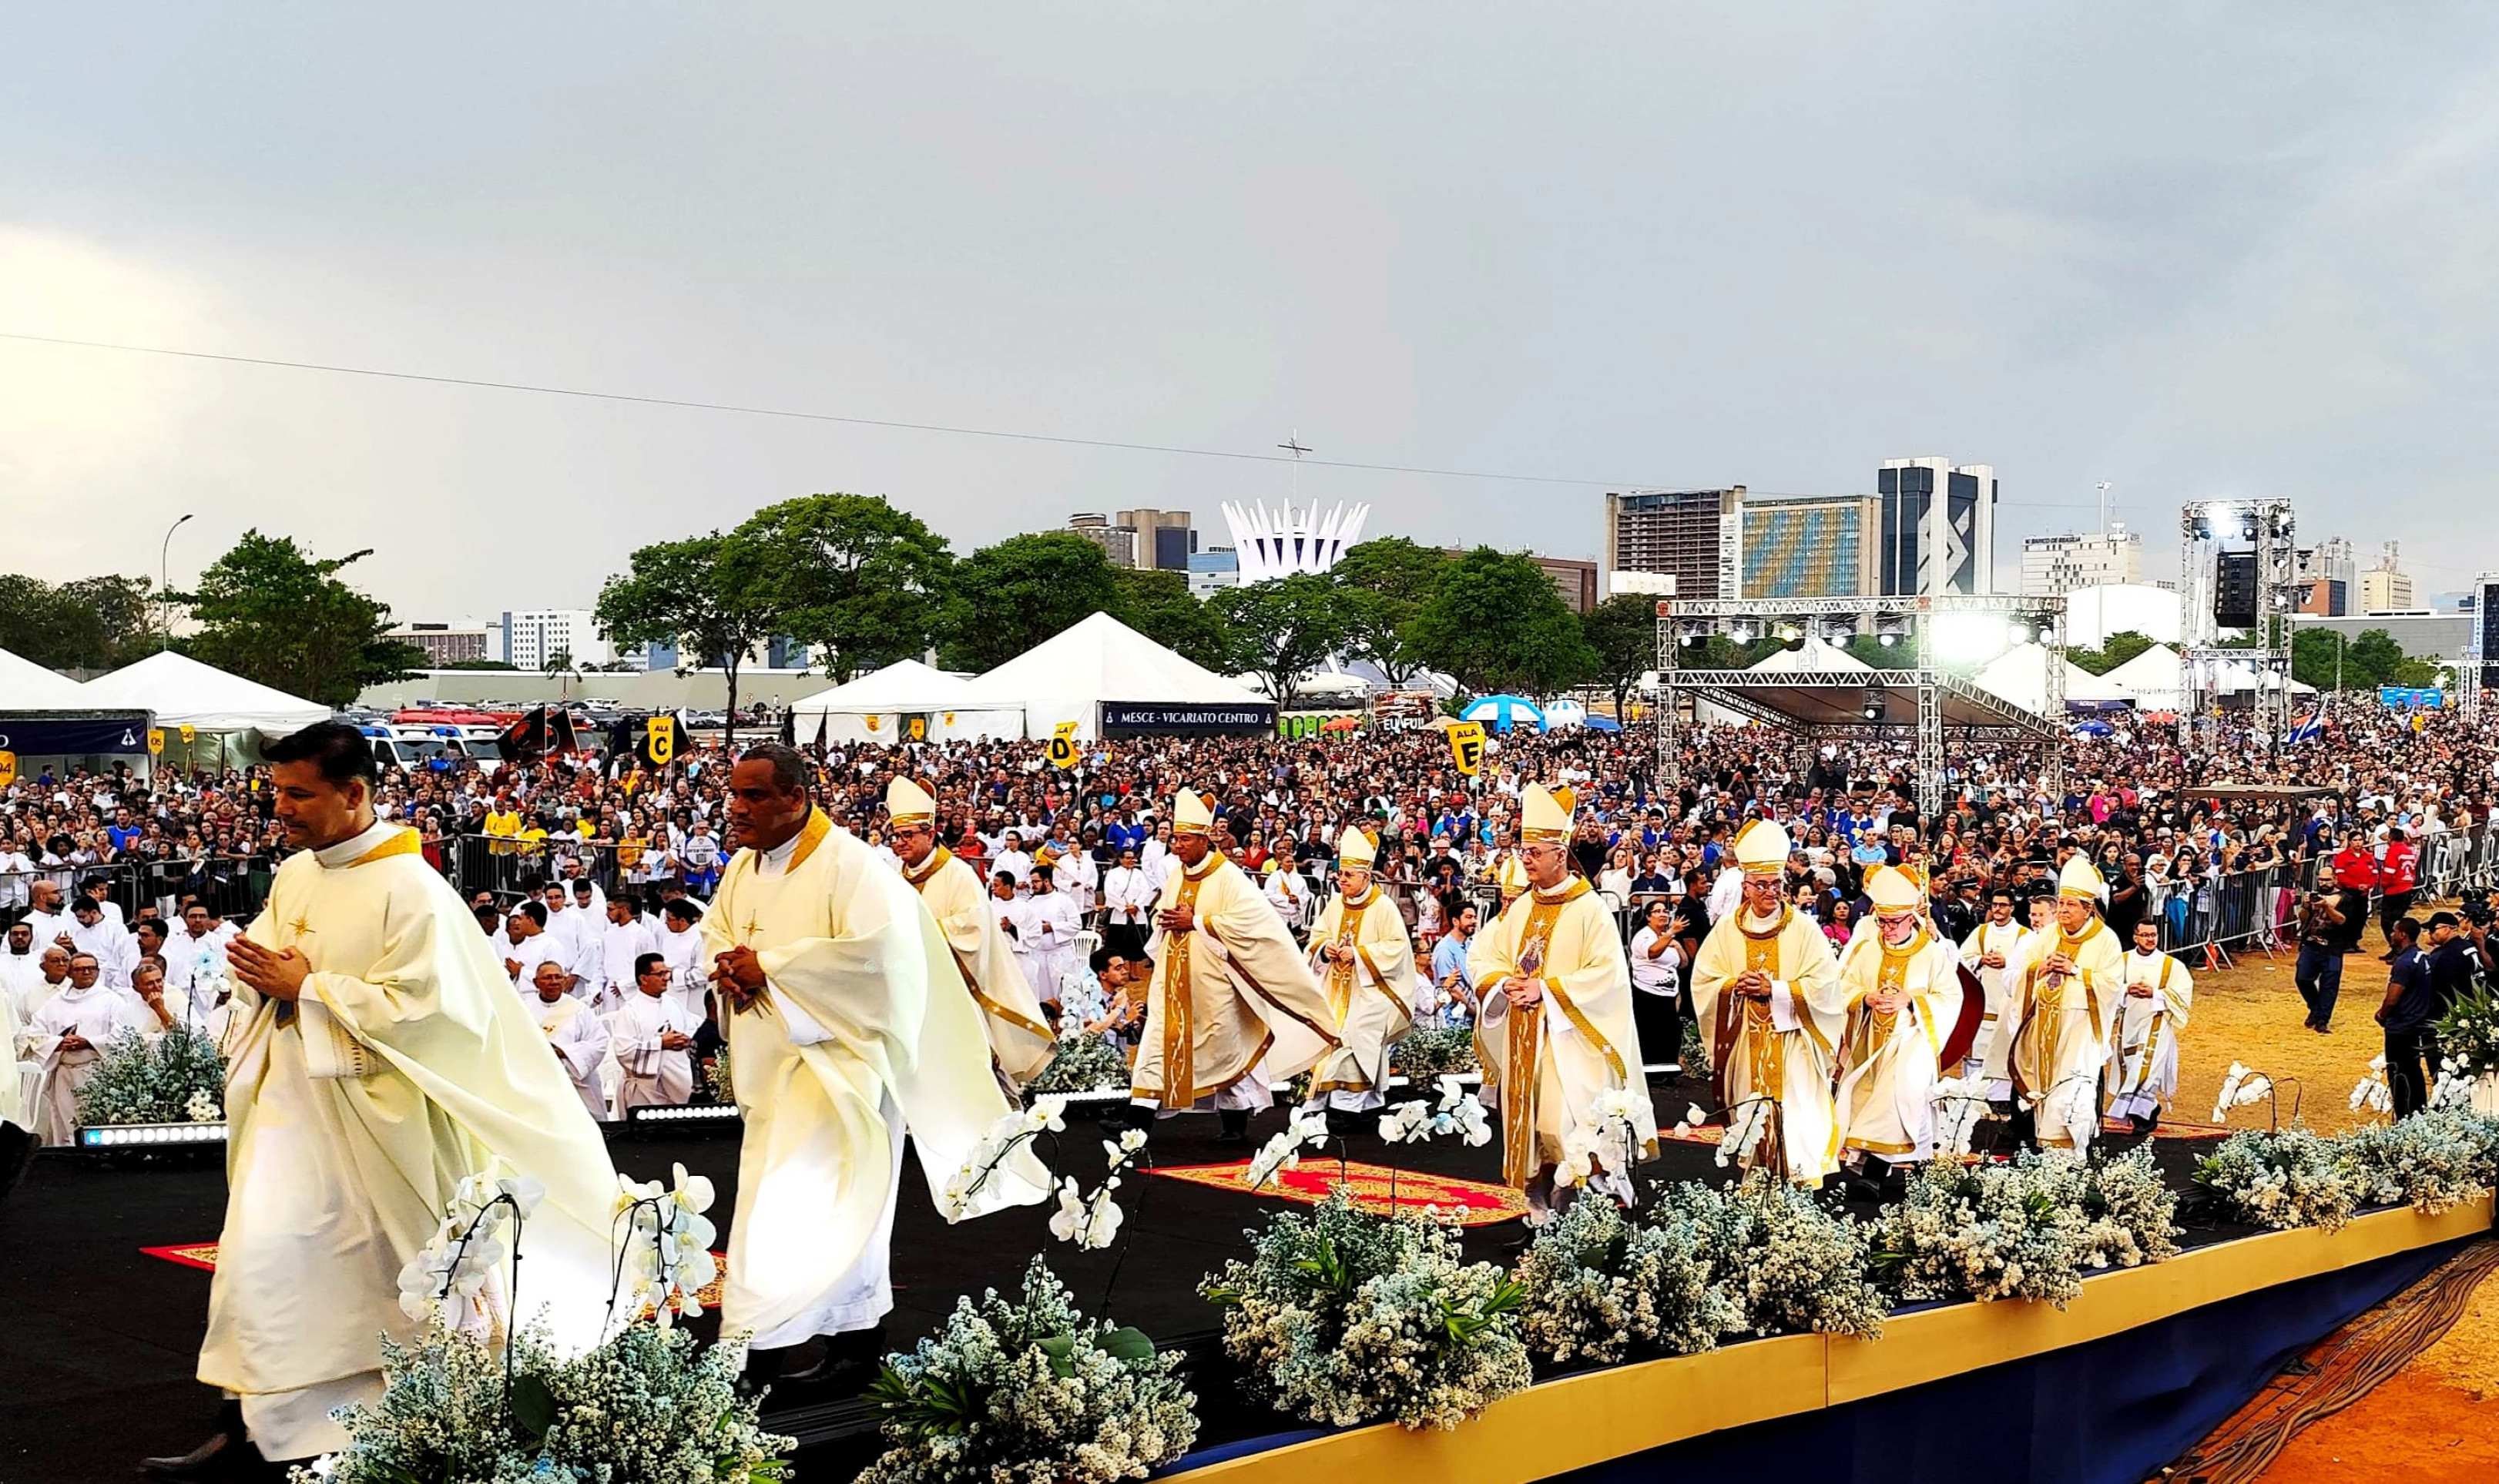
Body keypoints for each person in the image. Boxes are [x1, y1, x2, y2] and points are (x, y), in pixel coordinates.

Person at [155, 722, 620, 1479]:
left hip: (376, 1124)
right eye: (277, 791)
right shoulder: (299, 874)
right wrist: (263, 977)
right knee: (261, 1258)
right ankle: (250, 1426)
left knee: (359, 1281)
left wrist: (307, 987)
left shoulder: (413, 891)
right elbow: (270, 966)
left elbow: (435, 1016)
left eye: (298, 793)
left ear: (355, 792)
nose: (282, 808)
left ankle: (390, 1428)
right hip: (294, 1106)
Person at [699, 743, 1044, 1390]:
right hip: (774, 1070)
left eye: (753, 796)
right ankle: (859, 1344)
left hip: (839, 1072)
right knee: (840, 1213)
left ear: (795, 798)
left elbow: (886, 962)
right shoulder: (743, 868)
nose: (736, 809)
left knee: (776, 1213)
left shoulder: (852, 867)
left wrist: (770, 968)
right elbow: (716, 932)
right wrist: (729, 966)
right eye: (734, 795)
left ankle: (755, 1359)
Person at [1468, 783, 1655, 1214]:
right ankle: (1540, 1220)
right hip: (1525, 1038)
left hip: (1573, 1044)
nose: (1526, 860)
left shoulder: (1589, 909)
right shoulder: (1521, 907)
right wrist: (1503, 984)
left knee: (1562, 1128)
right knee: (1530, 1133)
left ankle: (1594, 1218)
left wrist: (1546, 989)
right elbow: (1490, 956)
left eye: (1535, 851)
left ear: (1560, 853)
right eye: (1523, 852)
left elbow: (1608, 975)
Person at [1127, 788, 1339, 1144]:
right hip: (1176, 980)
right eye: (1175, 839)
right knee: (1157, 1045)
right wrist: (1162, 920)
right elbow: (1166, 910)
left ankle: (1235, 1123)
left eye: (1183, 840)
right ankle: (1135, 1122)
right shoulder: (1179, 874)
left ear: (1203, 839)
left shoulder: (1229, 877)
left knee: (1228, 1051)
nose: (1176, 847)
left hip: (1218, 985)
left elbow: (1254, 923)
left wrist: (1197, 921)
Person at [1690, 818, 1846, 1184]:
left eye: (1776, 884)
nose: (1770, 892)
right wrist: (1733, 985)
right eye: (1761, 885)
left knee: (1794, 1113)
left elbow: (1825, 985)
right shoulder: (1727, 929)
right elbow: (1705, 981)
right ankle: (1757, 1178)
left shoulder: (1804, 929)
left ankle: (1796, 1181)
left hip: (1792, 1039)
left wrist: (1775, 990)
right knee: (1751, 1108)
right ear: (1746, 887)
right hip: (1746, 1038)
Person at [887, 777, 1055, 1093]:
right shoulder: (898, 877)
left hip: (959, 989)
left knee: (974, 1069)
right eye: (896, 837)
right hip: (913, 989)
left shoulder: (958, 874)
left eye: (907, 835)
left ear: (930, 833)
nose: (900, 843)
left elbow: (973, 929)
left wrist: (920, 932)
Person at [1830, 865, 1962, 1182]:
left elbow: (1949, 997)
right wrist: (1865, 998)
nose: (1886, 929)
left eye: (1893, 923)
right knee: (1865, 1096)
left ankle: (1875, 1172)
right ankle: (1872, 1165)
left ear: (1910, 918)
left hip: (1911, 1042)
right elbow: (1842, 987)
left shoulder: (1931, 954)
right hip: (1869, 1041)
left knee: (1898, 1095)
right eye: (1882, 921)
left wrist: (1912, 1001)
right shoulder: (1867, 949)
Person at [2005, 855, 2126, 1153]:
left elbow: (2112, 986)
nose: (2063, 910)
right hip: (2045, 1025)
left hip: (2081, 1028)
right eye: (2061, 903)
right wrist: (2041, 968)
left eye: (2071, 905)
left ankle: (2074, 1153)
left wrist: (2075, 971)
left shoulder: (2106, 940)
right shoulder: (2048, 935)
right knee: (2043, 1088)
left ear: (2088, 908)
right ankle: (2044, 1148)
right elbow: (2024, 972)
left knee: (2072, 1089)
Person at [1300, 826, 1417, 1128]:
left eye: (1348, 875)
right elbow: (1318, 935)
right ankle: (1321, 1102)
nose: (1341, 880)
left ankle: (1347, 1105)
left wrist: (1361, 955)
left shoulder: (1384, 907)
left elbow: (1397, 949)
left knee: (1356, 1032)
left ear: (1366, 876)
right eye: (1340, 875)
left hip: (1370, 990)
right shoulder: (1336, 904)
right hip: (1336, 987)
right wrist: (1325, 949)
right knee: (1329, 1033)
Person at [24, 951, 153, 1144]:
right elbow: (34, 1035)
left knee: (97, 1122)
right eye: (80, 969)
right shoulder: (54, 1003)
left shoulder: (111, 1000)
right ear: (69, 973)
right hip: (65, 1073)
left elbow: (124, 1035)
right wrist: (58, 1042)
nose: (86, 972)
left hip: (98, 1070)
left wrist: (89, 1042)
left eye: (91, 968)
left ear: (98, 972)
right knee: (66, 1124)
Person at [2105, 920, 2193, 1133]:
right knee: (2131, 1067)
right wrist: (2126, 989)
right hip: (2129, 1023)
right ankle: (2150, 1108)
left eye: (2153, 935)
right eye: (2145, 935)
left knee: (2147, 1070)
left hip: (2157, 1023)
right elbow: (2107, 986)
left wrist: (2155, 993)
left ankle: (2143, 1118)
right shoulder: (2122, 961)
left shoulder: (2171, 965)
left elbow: (2183, 995)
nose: (2150, 939)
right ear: (2135, 937)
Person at [613, 951, 703, 1110]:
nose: (667, 977)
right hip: (645, 1091)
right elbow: (623, 1051)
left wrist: (685, 1039)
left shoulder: (674, 1003)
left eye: (667, 972)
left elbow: (693, 1027)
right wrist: (661, 1043)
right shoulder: (630, 1010)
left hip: (678, 1084)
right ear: (643, 979)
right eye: (660, 974)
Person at [1958, 889, 2028, 1087]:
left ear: (2012, 908)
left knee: (2005, 1057)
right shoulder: (1981, 932)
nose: (1998, 909)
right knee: (1976, 1057)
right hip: (1982, 1005)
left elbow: (2030, 968)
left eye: (2003, 905)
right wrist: (1981, 959)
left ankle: (2001, 1103)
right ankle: (1972, 1100)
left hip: (2008, 1008)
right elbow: (1962, 960)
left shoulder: (2024, 936)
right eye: (1995, 905)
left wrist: (2007, 962)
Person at [528, 958, 612, 1121]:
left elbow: (600, 1042)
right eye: (547, 978)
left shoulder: (579, 1009)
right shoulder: (525, 1009)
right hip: (540, 1080)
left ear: (565, 980)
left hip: (576, 1081)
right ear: (535, 982)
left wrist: (564, 1053)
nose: (554, 982)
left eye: (558, 977)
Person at [2375, 918, 2437, 1117]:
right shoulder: (2422, 956)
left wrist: (2381, 1014)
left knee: (2399, 1073)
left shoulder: (2404, 962)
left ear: (2402, 934)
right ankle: (2419, 1110)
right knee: (2414, 1070)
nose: (2391, 935)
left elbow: (2393, 997)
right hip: (2417, 1022)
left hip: (2401, 1026)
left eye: (2394, 931)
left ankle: (2404, 1115)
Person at [1626, 898, 1686, 1080]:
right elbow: (1652, 952)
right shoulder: (1643, 936)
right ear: (1648, 917)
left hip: (1669, 993)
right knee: (1651, 1033)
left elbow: (1683, 963)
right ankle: (1649, 1074)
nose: (1663, 914)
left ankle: (1667, 1071)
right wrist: (1670, 935)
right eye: (1657, 911)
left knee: (1671, 1032)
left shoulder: (1667, 938)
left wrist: (1678, 946)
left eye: (1665, 911)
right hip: (1647, 992)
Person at [2292, 864, 2348, 1033]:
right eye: (2321, 879)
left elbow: (2341, 920)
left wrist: (2326, 907)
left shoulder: (2344, 898)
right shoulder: (2314, 896)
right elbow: (2303, 919)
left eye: (2327, 879)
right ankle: (2316, 1009)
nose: (2323, 883)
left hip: (2333, 947)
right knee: (2302, 978)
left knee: (2329, 985)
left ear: (2335, 879)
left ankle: (2322, 1020)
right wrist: (2306, 906)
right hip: (2311, 944)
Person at [1023, 864, 1082, 1007]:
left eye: (1036, 882)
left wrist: (1051, 927)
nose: (1033, 885)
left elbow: (1076, 925)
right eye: (1032, 882)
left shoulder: (1064, 900)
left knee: (1066, 997)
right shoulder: (1029, 904)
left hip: (1060, 956)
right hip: (1037, 956)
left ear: (1047, 881)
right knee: (1042, 998)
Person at [1102, 846, 1155, 961]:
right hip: (1119, 912)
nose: (1132, 861)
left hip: (1136, 912)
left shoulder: (1139, 873)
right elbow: (1109, 892)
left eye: (1133, 858)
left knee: (1135, 944)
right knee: (1117, 943)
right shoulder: (1113, 873)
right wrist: (1124, 907)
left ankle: (1134, 971)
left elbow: (1146, 890)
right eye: (1128, 858)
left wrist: (1136, 906)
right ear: (1121, 859)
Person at [1430, 901, 1480, 1020]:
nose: (1474, 921)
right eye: (1468, 917)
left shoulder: (1470, 944)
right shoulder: (1445, 949)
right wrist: (1475, 1011)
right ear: (1455, 921)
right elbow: (1452, 989)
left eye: (1474, 917)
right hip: (1453, 1020)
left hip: (1471, 1016)